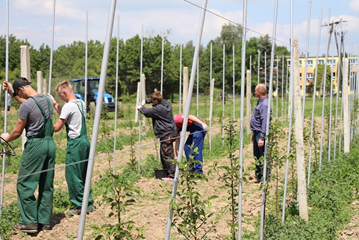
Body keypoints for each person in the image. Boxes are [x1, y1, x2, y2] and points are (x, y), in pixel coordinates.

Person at [1, 77, 55, 233]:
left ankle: (28, 222)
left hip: (35, 146)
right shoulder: (47, 98)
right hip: (50, 144)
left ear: (22, 90)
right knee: (46, 183)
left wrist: (6, 138)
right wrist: (11, 92)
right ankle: (44, 221)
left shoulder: (27, 106)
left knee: (25, 184)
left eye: (18, 93)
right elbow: (28, 104)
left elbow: (17, 132)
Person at [49, 81, 93, 216]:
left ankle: (79, 205)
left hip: (75, 143)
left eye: (60, 96)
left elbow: (57, 127)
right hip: (84, 140)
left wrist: (44, 127)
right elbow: (67, 115)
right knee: (84, 172)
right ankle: (88, 202)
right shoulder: (80, 103)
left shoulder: (68, 106)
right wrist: (55, 105)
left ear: (65, 92)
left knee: (73, 174)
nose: (61, 99)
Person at [137, 91, 177, 181]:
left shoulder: (158, 109)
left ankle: (172, 175)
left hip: (166, 133)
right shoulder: (166, 104)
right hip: (170, 132)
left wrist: (140, 107)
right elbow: (158, 101)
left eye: (152, 100)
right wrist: (147, 100)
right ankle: (168, 172)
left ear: (155, 101)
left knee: (167, 154)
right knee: (164, 153)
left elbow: (146, 112)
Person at [250, 83, 271, 183]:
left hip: (261, 134)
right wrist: (254, 133)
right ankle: (258, 176)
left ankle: (265, 177)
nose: (254, 92)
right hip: (257, 133)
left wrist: (262, 137)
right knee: (257, 156)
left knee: (263, 155)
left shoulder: (264, 105)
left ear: (259, 92)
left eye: (255, 91)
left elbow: (264, 122)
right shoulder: (260, 103)